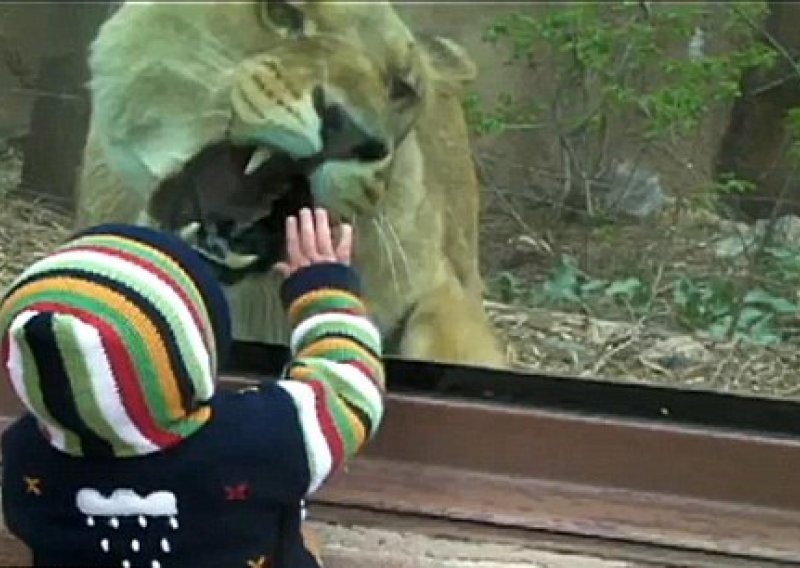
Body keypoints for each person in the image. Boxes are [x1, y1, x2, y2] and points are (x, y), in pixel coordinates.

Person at [0, 207, 385, 568]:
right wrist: (324, 294)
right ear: (196, 352)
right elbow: (349, 387)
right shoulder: (261, 439)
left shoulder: (24, 458)